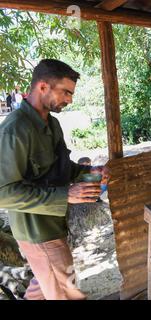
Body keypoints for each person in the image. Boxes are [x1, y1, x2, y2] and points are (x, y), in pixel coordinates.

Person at [0, 59, 108, 300]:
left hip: (54, 224)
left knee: (44, 285)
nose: (69, 99)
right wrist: (66, 195)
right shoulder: (15, 129)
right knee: (66, 291)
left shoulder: (52, 123)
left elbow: (61, 168)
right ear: (42, 87)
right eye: (66, 92)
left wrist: (92, 173)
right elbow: (4, 193)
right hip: (37, 232)